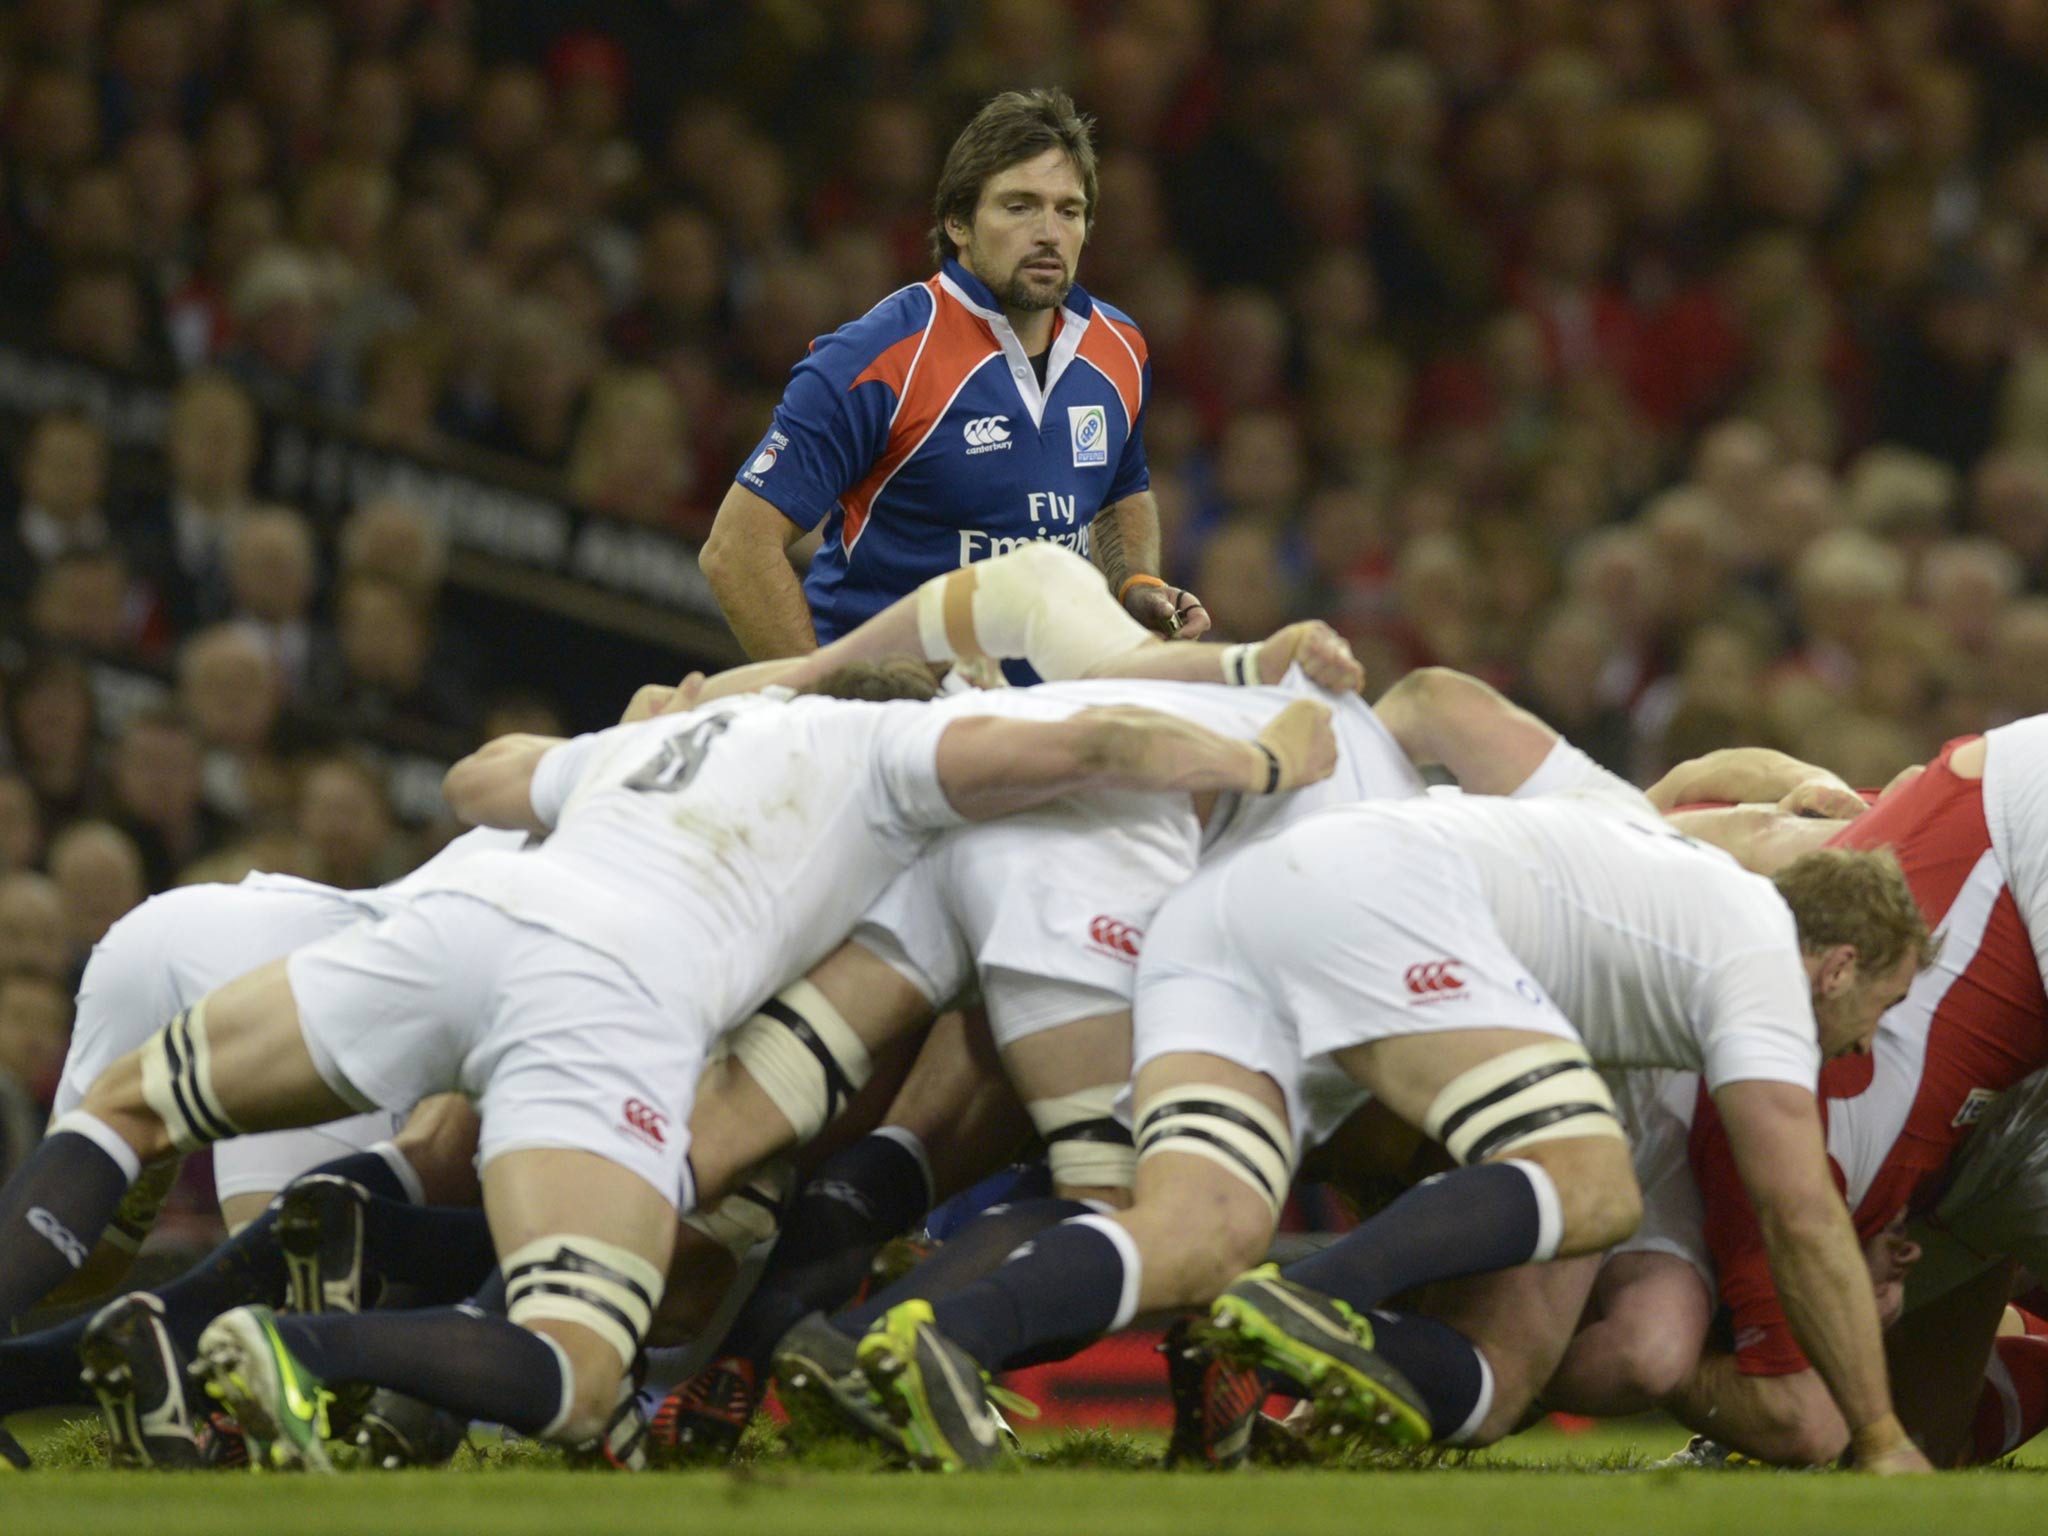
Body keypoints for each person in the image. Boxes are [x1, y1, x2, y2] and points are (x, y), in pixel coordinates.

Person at [0, 655, 1334, 1470]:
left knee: (127, 1104)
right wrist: (1268, 750)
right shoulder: (893, 749)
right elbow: (1092, 741)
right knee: (580, 1362)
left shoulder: (660, 735)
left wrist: (632, 735)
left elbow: (479, 781)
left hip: (446, 930)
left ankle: (106, 1348)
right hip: (606, 991)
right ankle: (286, 1350)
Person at [815, 671, 1933, 1475]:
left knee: (1195, 1227)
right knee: (1590, 1185)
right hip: (1375, 903)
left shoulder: (1619, 831)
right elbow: (1794, 1208)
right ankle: (1304, 1303)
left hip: (1238, 909)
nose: (1865, 1040)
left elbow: (1468, 705)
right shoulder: (1743, 931)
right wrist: (1882, 1438)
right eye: (1878, 1006)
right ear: (1836, 961)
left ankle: (929, 1338)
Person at [699, 87, 1205, 659]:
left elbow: (1119, 491)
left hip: (1038, 720)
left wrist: (1135, 583)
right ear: (958, 223)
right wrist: (825, 699)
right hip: (894, 724)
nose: (1048, 232)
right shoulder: (878, 358)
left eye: (1069, 210)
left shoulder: (1120, 347)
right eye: (1019, 206)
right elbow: (736, 551)